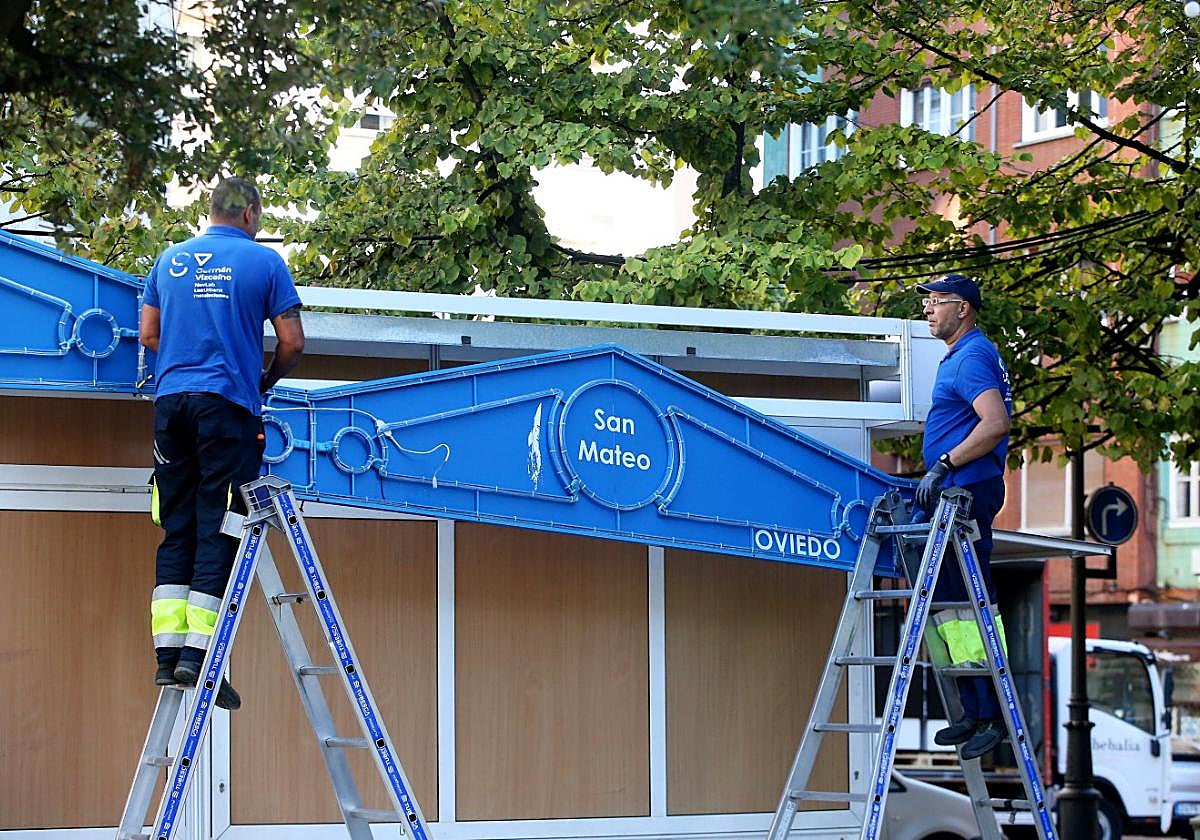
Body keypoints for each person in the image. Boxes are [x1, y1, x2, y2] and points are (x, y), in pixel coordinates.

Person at [140, 177, 305, 709]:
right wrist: (262, 380)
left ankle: (168, 658)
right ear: (251, 214)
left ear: (210, 212)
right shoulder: (264, 264)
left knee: (178, 524)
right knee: (220, 523)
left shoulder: (169, 261)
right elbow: (292, 341)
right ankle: (202, 658)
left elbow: (148, 335)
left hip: (172, 407)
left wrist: (184, 361)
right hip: (227, 407)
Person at [913, 273, 1012, 761]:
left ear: (964, 309)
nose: (929, 309)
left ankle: (993, 711)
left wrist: (947, 464)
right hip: (955, 493)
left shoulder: (972, 356)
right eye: (928, 302)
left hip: (966, 493)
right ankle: (976, 708)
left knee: (973, 602)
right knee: (955, 605)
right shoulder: (960, 356)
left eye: (937, 302)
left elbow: (995, 424)